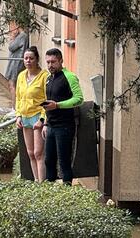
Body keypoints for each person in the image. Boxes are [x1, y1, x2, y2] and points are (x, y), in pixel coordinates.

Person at [41, 48, 83, 184]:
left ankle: (67, 188)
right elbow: (47, 103)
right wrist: (45, 123)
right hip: (51, 125)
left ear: (61, 61)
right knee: (49, 160)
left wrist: (58, 105)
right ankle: (51, 192)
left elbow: (79, 99)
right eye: (47, 62)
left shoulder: (69, 77)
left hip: (65, 126)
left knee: (64, 160)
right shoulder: (48, 79)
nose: (50, 65)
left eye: (53, 62)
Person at [15, 46, 49, 182]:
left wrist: (42, 119)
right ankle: (36, 181)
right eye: (26, 58)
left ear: (37, 59)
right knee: (30, 153)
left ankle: (42, 182)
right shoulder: (21, 76)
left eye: (31, 58)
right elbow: (18, 97)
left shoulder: (44, 76)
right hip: (24, 116)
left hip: (37, 116)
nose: (28, 61)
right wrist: (18, 115)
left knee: (38, 153)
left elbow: (47, 99)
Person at [5, 26, 28, 102]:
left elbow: (11, 47)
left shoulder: (22, 36)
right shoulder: (23, 36)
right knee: (13, 85)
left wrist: (12, 38)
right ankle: (15, 107)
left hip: (16, 63)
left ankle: (14, 108)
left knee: (12, 84)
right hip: (16, 62)